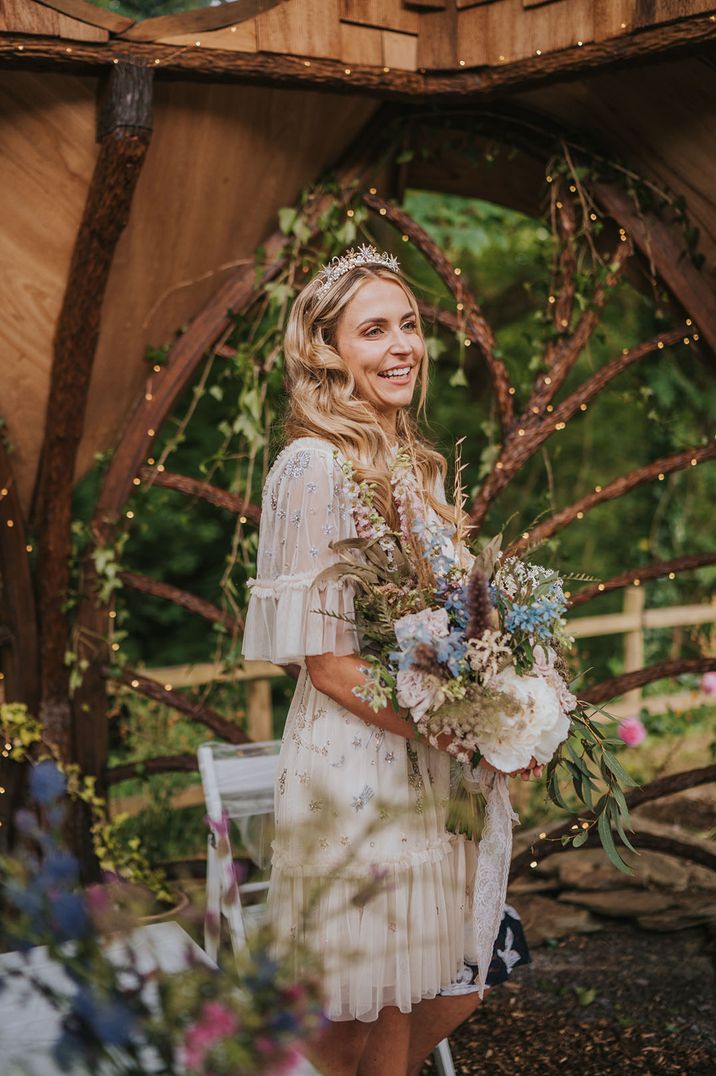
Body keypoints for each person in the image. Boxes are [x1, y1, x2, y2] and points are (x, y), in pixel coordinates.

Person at [242, 245, 537, 1076]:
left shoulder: (407, 466)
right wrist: (453, 726)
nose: (403, 344)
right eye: (374, 329)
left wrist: (509, 693)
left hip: (425, 767)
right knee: (341, 1024)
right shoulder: (312, 466)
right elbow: (328, 664)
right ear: (326, 350)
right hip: (357, 768)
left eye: (409, 324)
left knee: (419, 994)